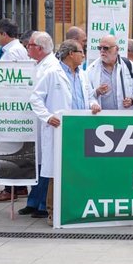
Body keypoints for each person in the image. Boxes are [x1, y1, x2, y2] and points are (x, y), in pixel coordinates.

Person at [30, 39, 101, 226]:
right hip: (60, 129)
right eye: (81, 52)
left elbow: (89, 95)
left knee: (77, 170)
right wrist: (47, 116)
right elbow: (35, 98)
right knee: (56, 172)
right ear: (71, 53)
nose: (84, 55)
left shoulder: (83, 75)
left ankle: (75, 208)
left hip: (78, 129)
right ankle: (52, 212)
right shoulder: (52, 73)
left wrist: (93, 104)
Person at [0, 18, 30, 203]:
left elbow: (5, 81)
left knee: (7, 147)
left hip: (8, 107)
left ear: (4, 34)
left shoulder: (12, 52)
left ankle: (10, 188)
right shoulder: (16, 49)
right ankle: (18, 186)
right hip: (10, 106)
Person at [17, 31, 58, 218]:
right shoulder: (40, 64)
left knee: (45, 164)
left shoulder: (50, 68)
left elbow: (39, 97)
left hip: (47, 123)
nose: (27, 48)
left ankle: (42, 204)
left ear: (39, 49)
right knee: (39, 162)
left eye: (30, 45)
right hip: (39, 123)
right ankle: (34, 202)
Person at [86, 35, 133, 110]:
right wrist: (97, 92)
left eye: (106, 48)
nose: (102, 50)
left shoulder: (129, 66)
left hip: (124, 117)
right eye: (100, 48)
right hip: (102, 118)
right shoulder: (91, 69)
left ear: (116, 49)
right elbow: (87, 95)